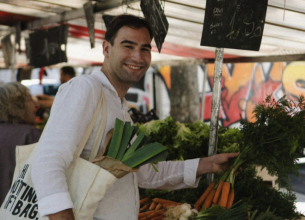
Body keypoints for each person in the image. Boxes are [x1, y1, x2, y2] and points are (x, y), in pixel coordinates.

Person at [31, 14, 239, 220]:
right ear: (106, 49)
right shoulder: (86, 88)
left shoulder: (119, 106)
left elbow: (145, 173)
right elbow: (48, 160)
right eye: (128, 46)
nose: (138, 57)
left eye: (145, 48)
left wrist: (207, 164)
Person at [0, 82, 42, 206]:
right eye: (29, 99)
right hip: (17, 209)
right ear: (18, 104)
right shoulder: (31, 135)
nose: (35, 104)